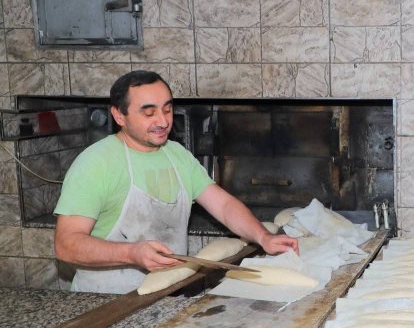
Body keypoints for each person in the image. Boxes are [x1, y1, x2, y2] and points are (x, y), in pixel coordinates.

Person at [54, 70, 298, 293]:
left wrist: (263, 237)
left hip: (169, 294)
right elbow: (66, 244)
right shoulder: (96, 164)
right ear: (119, 115)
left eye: (167, 109)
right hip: (106, 300)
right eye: (149, 113)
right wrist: (131, 253)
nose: (163, 121)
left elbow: (224, 206)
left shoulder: (176, 155)